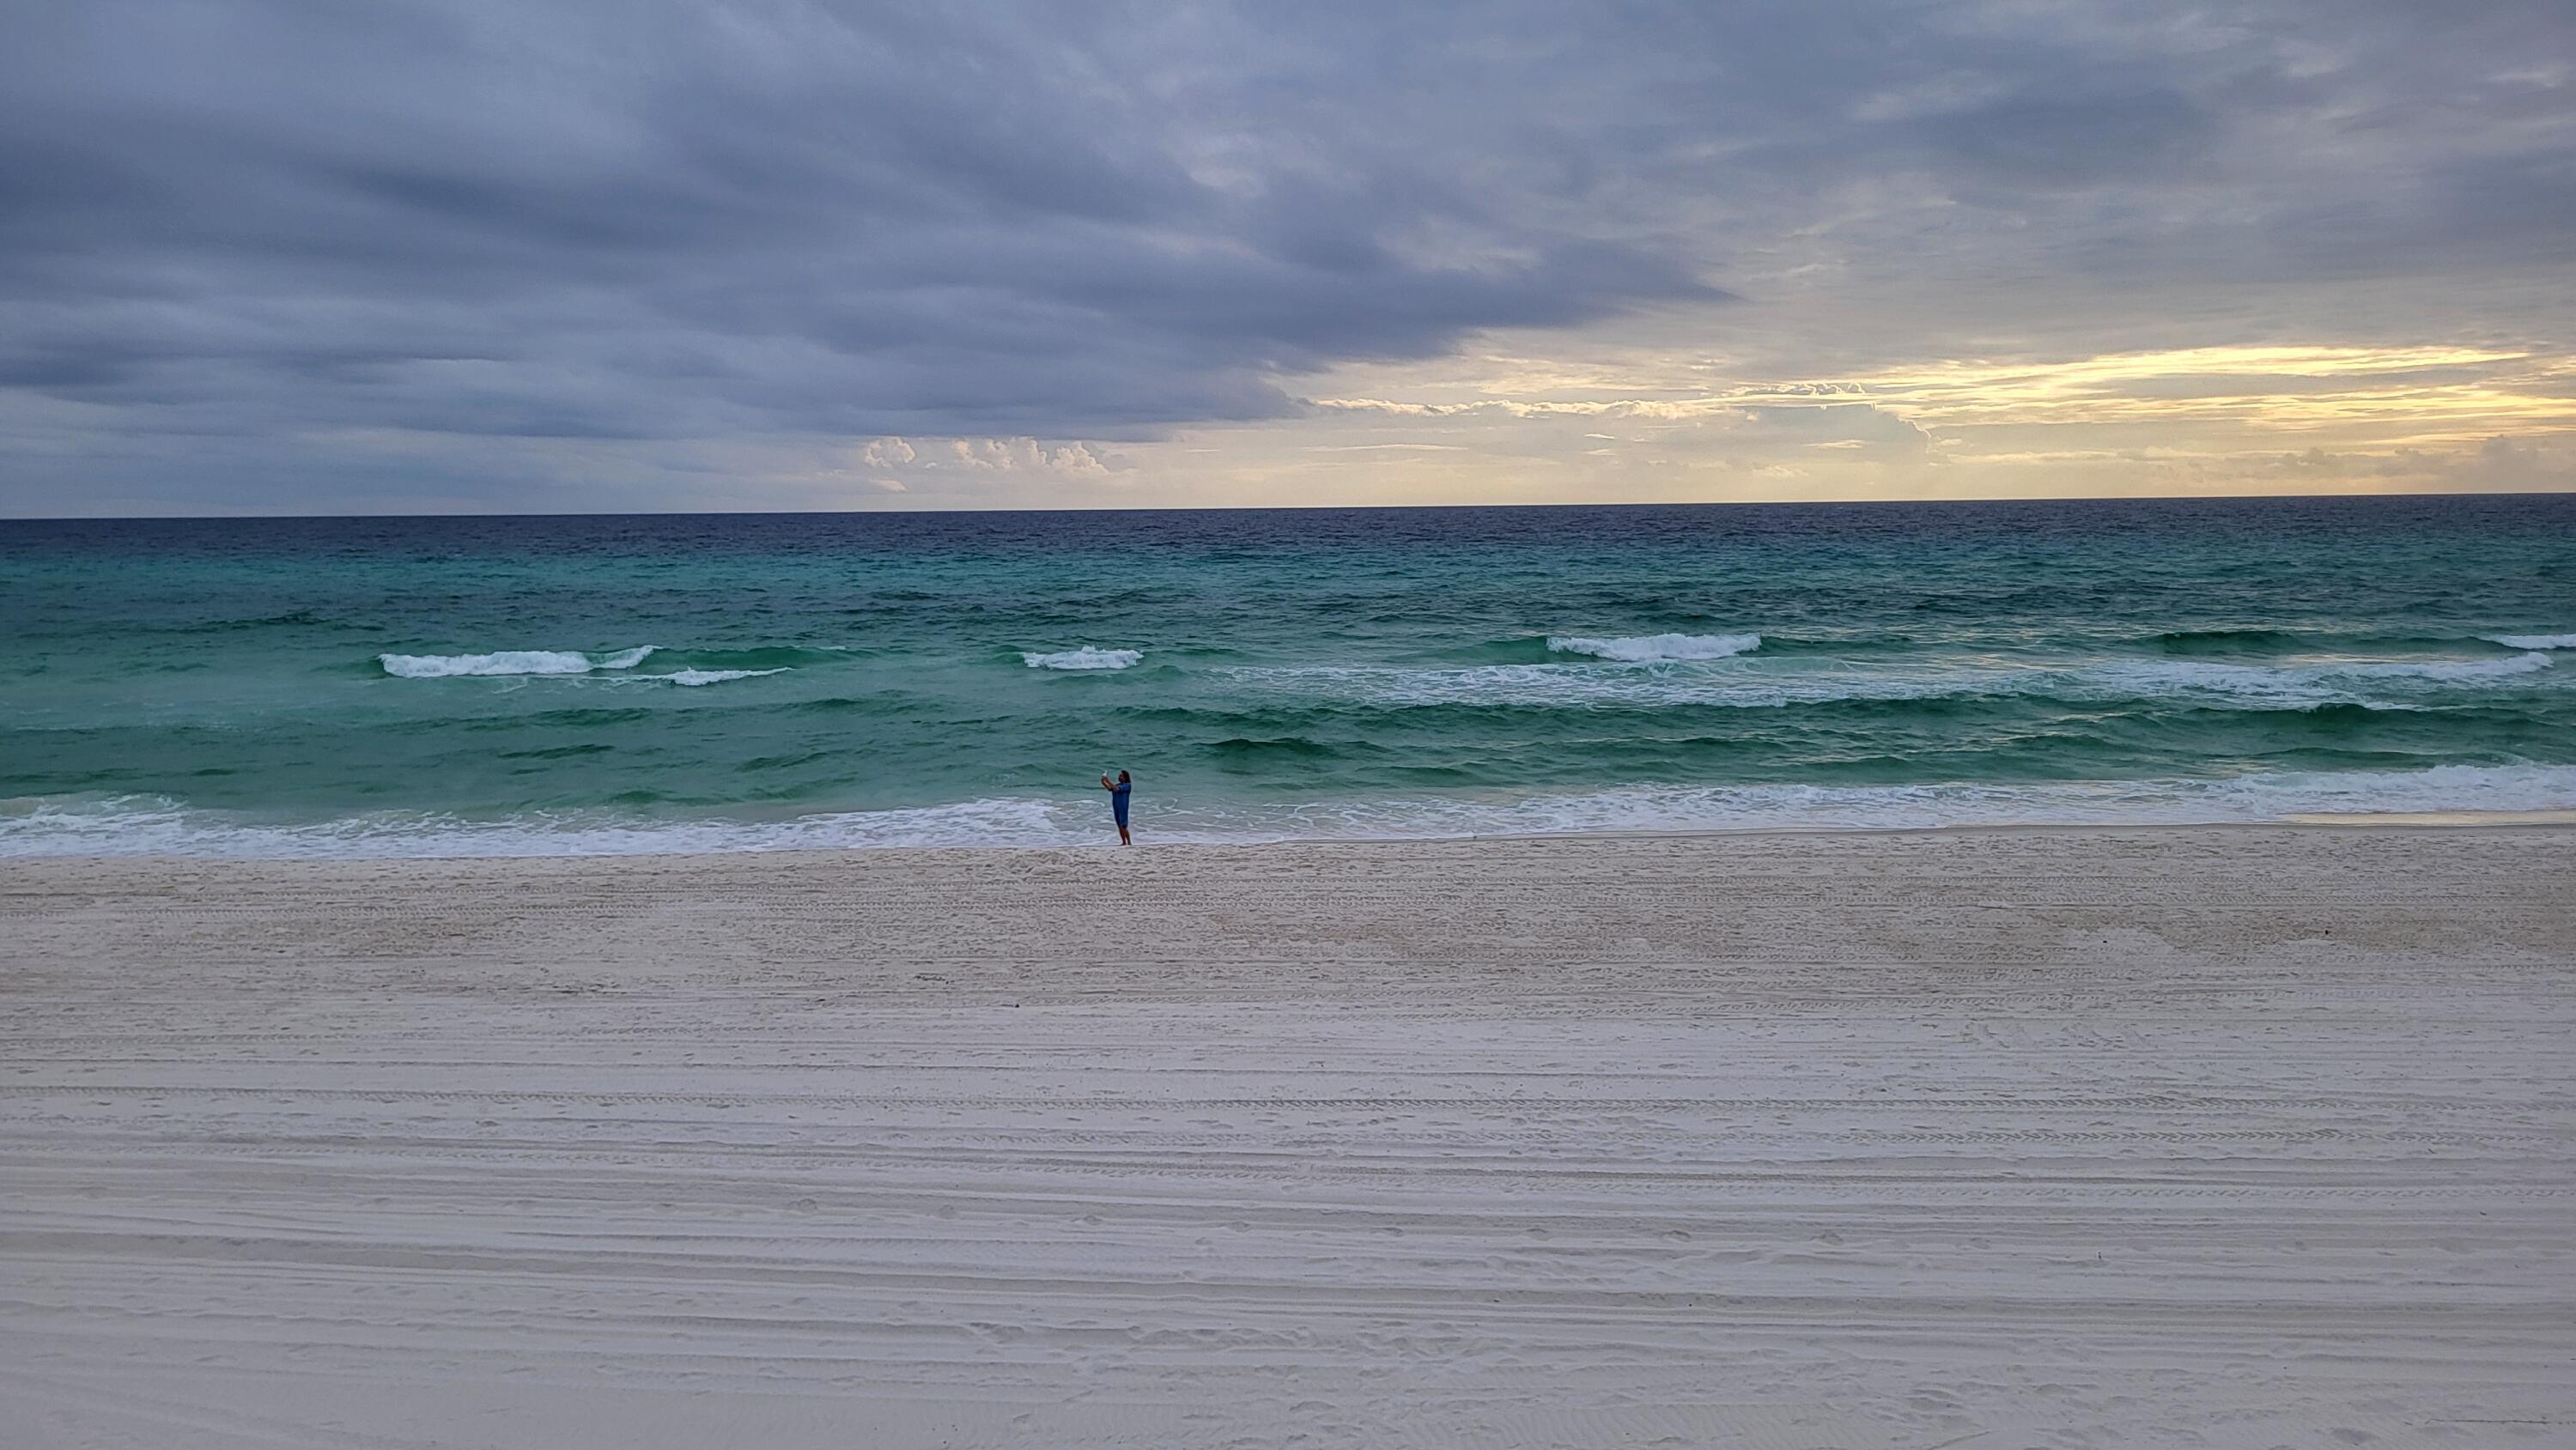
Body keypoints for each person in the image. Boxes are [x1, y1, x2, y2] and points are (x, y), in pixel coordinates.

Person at [1099, 769, 1133, 845]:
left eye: (1121, 776)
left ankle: (1129, 842)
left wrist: (1107, 781)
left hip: (1123, 807)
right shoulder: (1118, 785)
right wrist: (1103, 782)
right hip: (1116, 807)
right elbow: (1109, 788)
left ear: (1125, 778)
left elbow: (1117, 789)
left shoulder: (1127, 785)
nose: (1119, 777)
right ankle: (1124, 842)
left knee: (1123, 826)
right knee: (1119, 826)